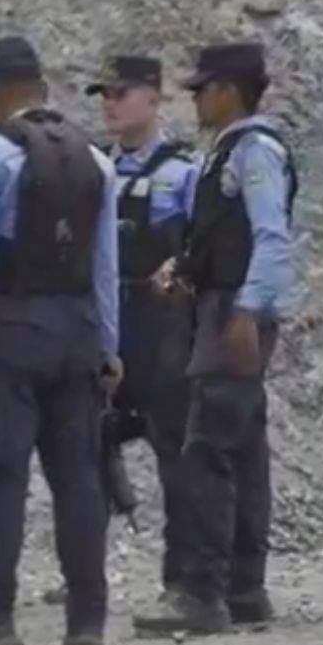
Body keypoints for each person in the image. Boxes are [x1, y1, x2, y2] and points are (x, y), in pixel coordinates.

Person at [0, 36, 121, 645]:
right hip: (76, 334)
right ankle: (87, 620)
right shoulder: (97, 158)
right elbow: (105, 267)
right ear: (40, 85)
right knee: (78, 478)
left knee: (3, 476)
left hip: (9, 332)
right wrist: (110, 347)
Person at [135, 43, 297, 635]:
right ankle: (245, 588)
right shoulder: (227, 152)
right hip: (220, 304)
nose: (197, 99)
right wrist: (184, 272)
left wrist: (247, 312)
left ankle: (201, 594)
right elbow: (223, 237)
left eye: (203, 88)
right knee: (244, 448)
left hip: (233, 312)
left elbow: (272, 237)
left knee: (206, 450)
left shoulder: (254, 152)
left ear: (229, 89)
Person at [86, 55, 200, 592]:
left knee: (174, 452)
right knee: (84, 447)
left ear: (154, 98)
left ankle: (183, 577)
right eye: (104, 95)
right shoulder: (92, 171)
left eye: (121, 93)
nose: (110, 104)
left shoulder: (182, 174)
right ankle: (84, 570)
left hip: (163, 329)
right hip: (107, 323)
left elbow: (204, 250)